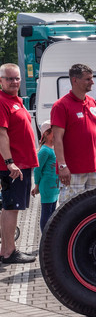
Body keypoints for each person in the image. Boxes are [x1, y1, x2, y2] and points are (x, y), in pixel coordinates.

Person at [51, 63, 96, 206]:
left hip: (95, 169)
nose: (92, 82)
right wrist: (62, 166)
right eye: (88, 79)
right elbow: (57, 138)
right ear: (74, 80)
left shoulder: (92, 102)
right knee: (70, 212)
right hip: (73, 171)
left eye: (92, 78)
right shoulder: (61, 105)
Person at [0, 63, 38, 264]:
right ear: (1, 81)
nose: (14, 82)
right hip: (13, 167)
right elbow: (1, 134)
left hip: (22, 164)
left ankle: (6, 249)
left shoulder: (16, 101)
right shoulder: (2, 101)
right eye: (9, 78)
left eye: (16, 78)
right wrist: (10, 162)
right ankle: (8, 252)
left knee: (11, 207)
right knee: (10, 207)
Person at [31, 120, 59, 232]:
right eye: (54, 132)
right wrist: (37, 185)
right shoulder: (44, 151)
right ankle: (45, 238)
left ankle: (51, 237)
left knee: (53, 213)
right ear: (46, 134)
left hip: (54, 186)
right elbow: (37, 170)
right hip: (47, 186)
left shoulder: (53, 149)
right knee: (47, 213)